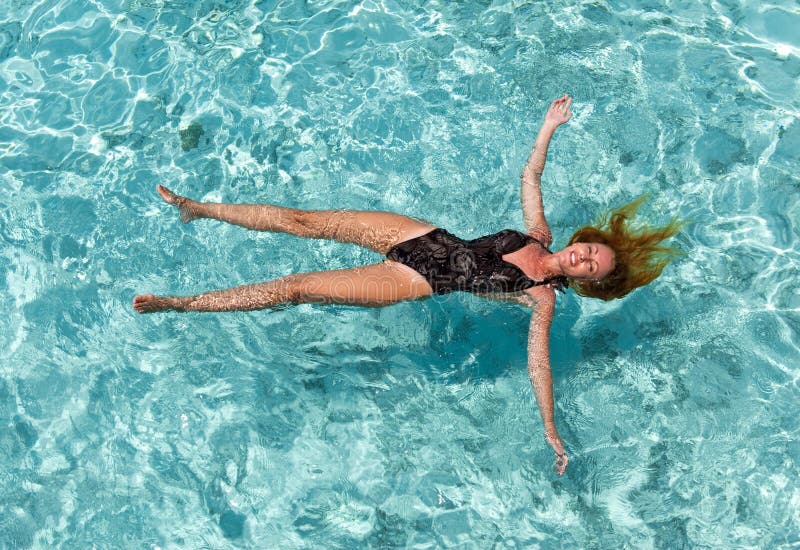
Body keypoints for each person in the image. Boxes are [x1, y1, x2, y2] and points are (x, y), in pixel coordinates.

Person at [133, 95, 682, 475]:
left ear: (589, 284)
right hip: (422, 234)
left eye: (591, 267)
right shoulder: (539, 232)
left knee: (297, 287)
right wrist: (548, 128)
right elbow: (530, 177)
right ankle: (198, 209)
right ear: (582, 239)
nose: (583, 258)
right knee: (307, 221)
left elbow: (540, 364)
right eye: (589, 250)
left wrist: (551, 430)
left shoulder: (540, 300)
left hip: (416, 278)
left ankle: (181, 305)